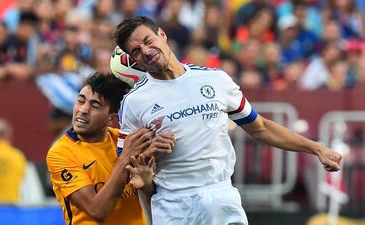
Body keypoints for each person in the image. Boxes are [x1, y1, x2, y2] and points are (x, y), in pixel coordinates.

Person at [113, 16, 342, 225]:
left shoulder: (215, 79)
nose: (146, 50)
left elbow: (260, 127)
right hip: (173, 205)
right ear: (133, 60)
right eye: (136, 51)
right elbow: (125, 162)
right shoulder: (135, 102)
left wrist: (317, 148)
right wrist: (151, 151)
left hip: (220, 196)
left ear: (161, 34)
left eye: (148, 40)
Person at [46, 72, 174, 225]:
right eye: (81, 101)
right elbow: (97, 210)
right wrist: (125, 157)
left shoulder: (124, 140)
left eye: (95, 105)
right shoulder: (60, 153)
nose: (83, 110)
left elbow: (153, 194)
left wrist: (147, 184)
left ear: (111, 119)